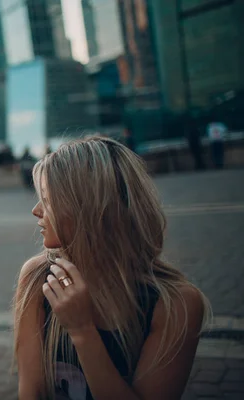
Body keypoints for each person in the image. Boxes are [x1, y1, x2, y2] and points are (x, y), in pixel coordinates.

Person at [14, 136, 209, 399]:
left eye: (47, 201)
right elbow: (31, 392)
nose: (36, 211)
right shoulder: (39, 278)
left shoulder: (175, 304)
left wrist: (82, 331)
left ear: (89, 209)